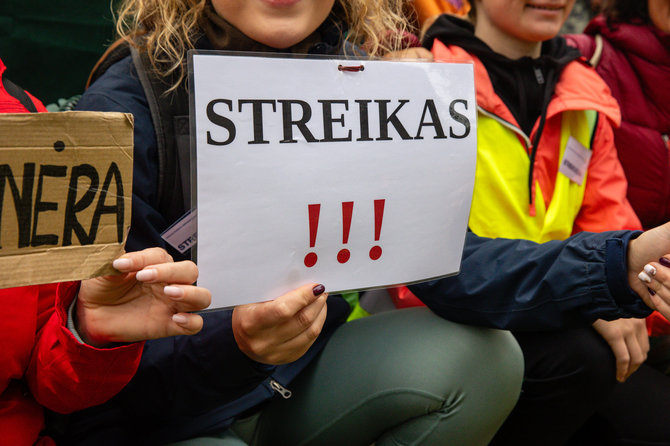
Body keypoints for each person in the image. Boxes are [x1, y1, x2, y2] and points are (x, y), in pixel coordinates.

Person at [59, 1, 670, 445]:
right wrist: (238, 348)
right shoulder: (123, 109)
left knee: (483, 357)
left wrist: (627, 258)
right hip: (167, 415)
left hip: (296, 384)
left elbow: (452, 264)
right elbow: (82, 385)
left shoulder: (361, 82)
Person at [417, 1, 670, 444]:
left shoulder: (584, 91)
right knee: (586, 363)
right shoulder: (421, 79)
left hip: (550, 308)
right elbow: (414, 269)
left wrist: (618, 291)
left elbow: (608, 216)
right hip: (441, 320)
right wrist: (593, 292)